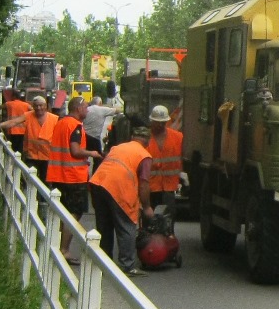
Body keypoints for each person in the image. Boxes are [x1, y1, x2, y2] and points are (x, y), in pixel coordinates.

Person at [90, 126, 155, 277]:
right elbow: (144, 184)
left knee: (104, 225)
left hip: (98, 183)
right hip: (117, 188)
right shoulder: (144, 155)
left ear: (133, 138)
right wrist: (146, 207)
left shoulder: (118, 147)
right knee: (126, 226)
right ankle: (127, 266)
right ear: (147, 142)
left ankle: (104, 262)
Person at [47, 96, 103, 265]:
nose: (87, 110)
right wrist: (92, 153)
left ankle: (55, 244)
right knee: (74, 212)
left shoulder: (61, 122)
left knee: (62, 211)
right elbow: (76, 151)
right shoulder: (76, 126)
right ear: (78, 108)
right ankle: (64, 249)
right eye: (86, 107)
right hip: (73, 177)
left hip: (58, 175)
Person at [1, 95, 58, 183]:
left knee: (45, 182)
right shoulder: (28, 115)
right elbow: (14, 122)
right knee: (30, 180)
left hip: (48, 157)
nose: (38, 108)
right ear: (33, 106)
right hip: (31, 155)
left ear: (45, 105)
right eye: (36, 106)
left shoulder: (54, 119)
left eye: (41, 105)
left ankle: (40, 197)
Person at [145, 105, 183, 212]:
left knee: (168, 217)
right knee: (150, 219)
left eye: (163, 122)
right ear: (152, 121)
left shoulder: (178, 137)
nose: (161, 125)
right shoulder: (144, 138)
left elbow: (184, 158)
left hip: (169, 186)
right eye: (158, 122)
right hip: (150, 187)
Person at [0, 89, 31, 155]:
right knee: (20, 148)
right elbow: (33, 111)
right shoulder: (26, 105)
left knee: (13, 148)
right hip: (23, 130)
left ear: (13, 96)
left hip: (12, 129)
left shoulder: (9, 104)